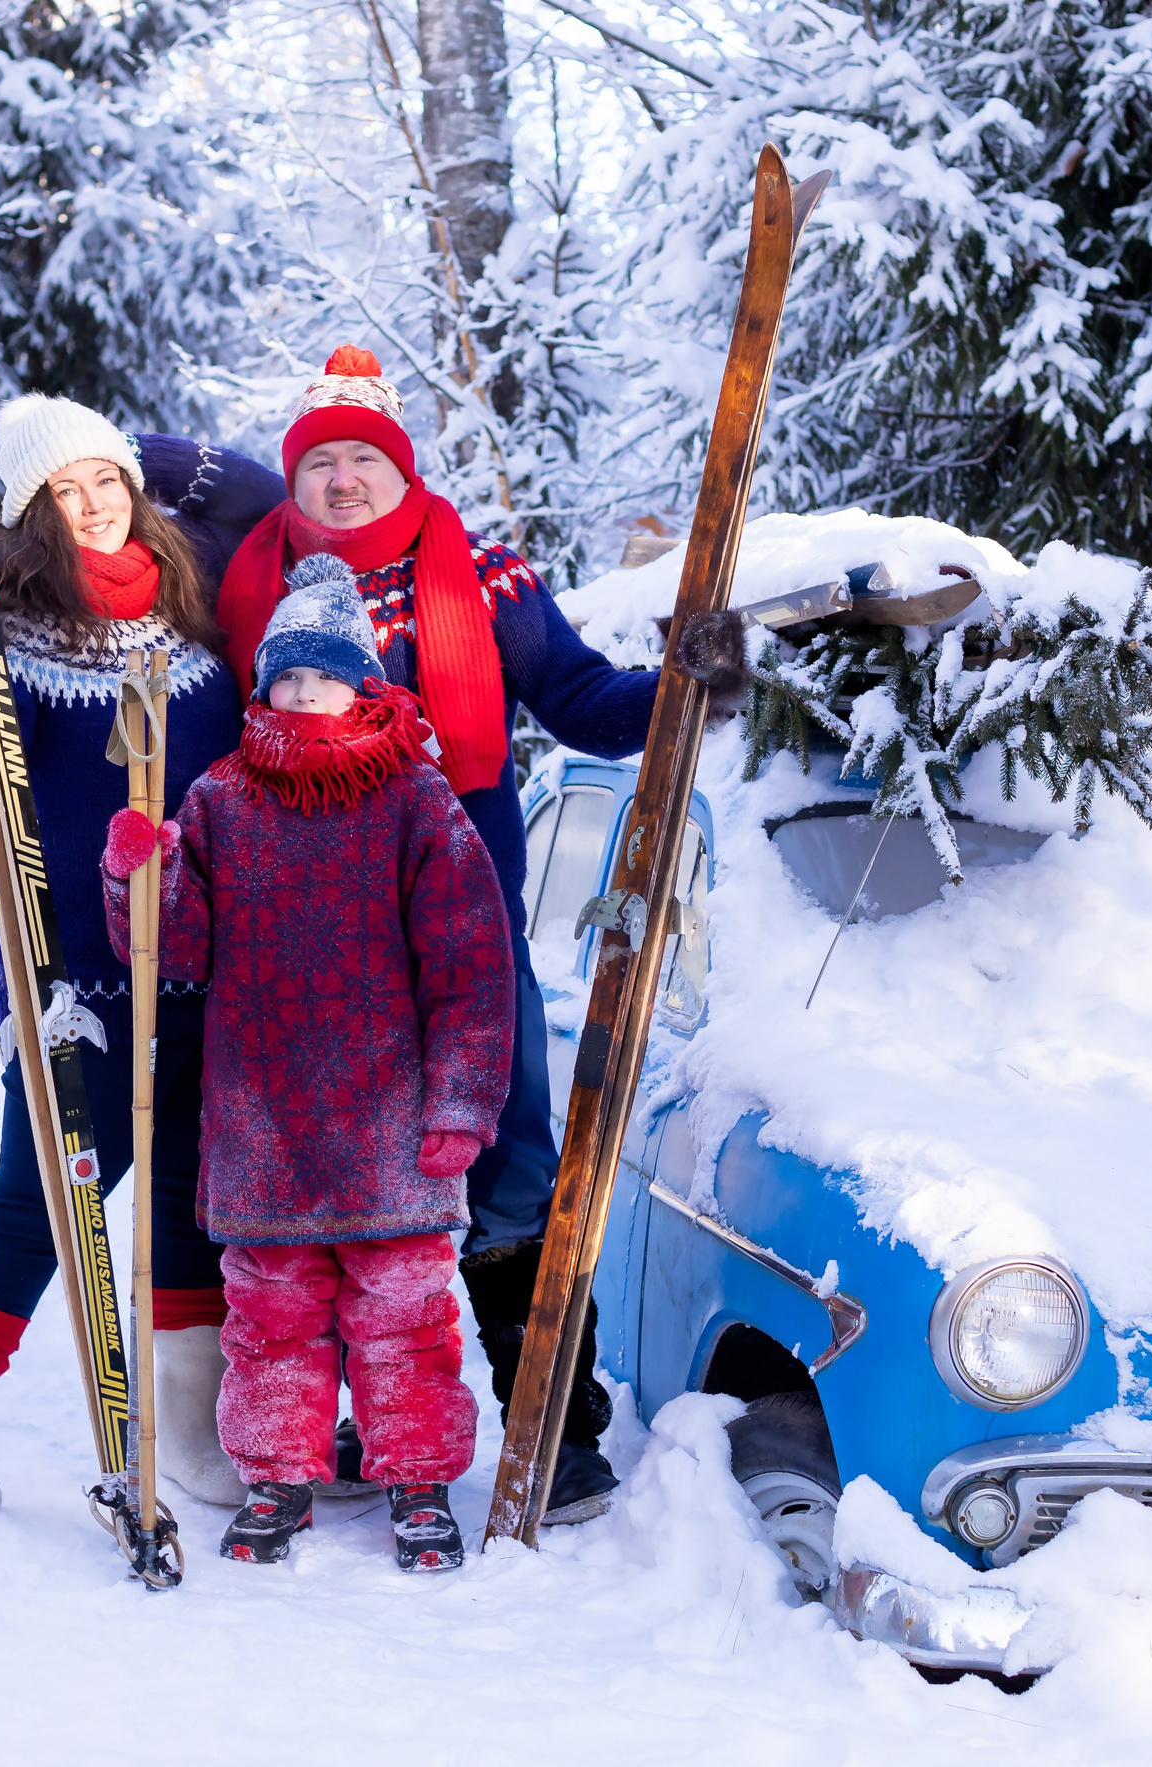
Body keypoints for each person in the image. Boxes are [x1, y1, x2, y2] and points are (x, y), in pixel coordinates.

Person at [208, 346, 671, 1524]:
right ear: (291, 481)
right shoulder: (247, 589)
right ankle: (355, 1419)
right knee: (322, 1195)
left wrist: (677, 687)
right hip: (299, 974)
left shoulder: (488, 581)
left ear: (400, 469)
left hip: (457, 949)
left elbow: (582, 701)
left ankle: (551, 1428)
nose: (345, 482)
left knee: (508, 1172)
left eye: (365, 459)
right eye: (321, 465)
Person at [0, 397, 285, 1517]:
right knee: (47, 1194)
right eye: (66, 488)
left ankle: (190, 1434)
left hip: (203, 970)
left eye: (108, 478)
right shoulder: (10, 628)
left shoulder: (191, 622)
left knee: (196, 1202)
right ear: (33, 512)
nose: (96, 503)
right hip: (75, 980)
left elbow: (262, 491)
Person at [105, 556, 516, 1571]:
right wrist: (135, 877)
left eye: (320, 677)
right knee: (271, 1318)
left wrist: (462, 1099)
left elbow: (472, 956)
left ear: (363, 684)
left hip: (389, 1123)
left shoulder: (416, 800)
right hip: (263, 1119)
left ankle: (416, 1482)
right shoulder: (217, 801)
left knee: (404, 1322)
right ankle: (278, 1478)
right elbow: (178, 950)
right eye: (283, 678)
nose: (299, 695)